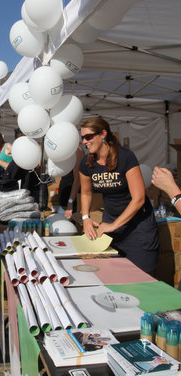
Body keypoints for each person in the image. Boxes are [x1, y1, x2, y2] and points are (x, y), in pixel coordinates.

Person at [79, 116, 159, 273]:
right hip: (110, 226)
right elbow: (86, 193)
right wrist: (86, 218)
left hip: (137, 227)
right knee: (114, 276)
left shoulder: (125, 157)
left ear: (103, 134)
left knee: (140, 279)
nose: (84, 141)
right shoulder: (86, 163)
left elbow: (139, 198)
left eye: (88, 137)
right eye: (82, 138)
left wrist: (114, 225)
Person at [59, 146, 85, 220]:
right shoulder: (66, 149)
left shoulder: (76, 150)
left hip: (71, 203)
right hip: (64, 200)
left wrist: (70, 202)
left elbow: (78, 179)